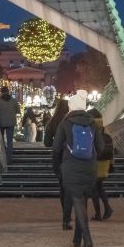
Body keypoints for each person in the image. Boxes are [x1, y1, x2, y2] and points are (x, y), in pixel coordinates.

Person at [53, 92, 103, 247]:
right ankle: (77, 239)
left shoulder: (65, 122)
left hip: (71, 166)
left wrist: (60, 163)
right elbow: (101, 147)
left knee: (77, 201)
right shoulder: (93, 123)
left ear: (71, 107)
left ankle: (87, 239)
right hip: (90, 166)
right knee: (83, 199)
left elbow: (55, 148)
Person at [44, 96, 73, 229]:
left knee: (63, 187)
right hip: (72, 156)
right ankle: (70, 213)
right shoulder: (72, 121)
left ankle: (65, 214)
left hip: (58, 157)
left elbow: (47, 143)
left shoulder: (53, 121)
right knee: (72, 187)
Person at [87, 108, 114, 221]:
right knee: (99, 187)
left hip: (95, 163)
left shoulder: (91, 132)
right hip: (105, 163)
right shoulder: (105, 132)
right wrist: (111, 164)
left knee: (94, 190)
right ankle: (107, 208)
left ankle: (99, 213)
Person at [0, 86, 21, 162]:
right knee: (10, 141)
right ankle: (9, 159)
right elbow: (18, 111)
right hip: (11, 122)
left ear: (1, 92)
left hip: (1, 123)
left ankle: (2, 157)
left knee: (1, 140)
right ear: (8, 92)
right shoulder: (14, 100)